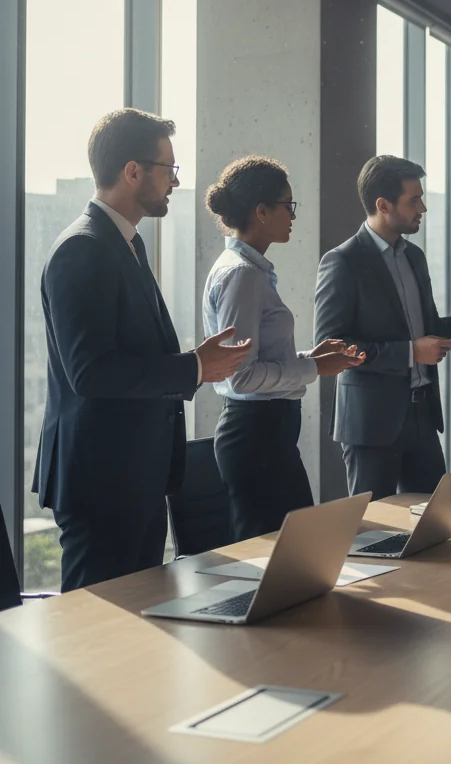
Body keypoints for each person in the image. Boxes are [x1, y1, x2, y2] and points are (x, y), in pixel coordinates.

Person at [33, 109, 252, 592]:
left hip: (136, 477)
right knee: (97, 641)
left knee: (137, 633)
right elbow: (90, 374)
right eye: (169, 169)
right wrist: (195, 366)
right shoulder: (83, 250)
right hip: (103, 481)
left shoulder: (124, 244)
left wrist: (196, 362)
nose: (175, 182)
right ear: (133, 172)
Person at [314, 155, 451, 499]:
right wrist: (411, 352)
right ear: (383, 205)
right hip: (371, 426)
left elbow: (431, 329)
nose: (423, 207)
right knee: (374, 534)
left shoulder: (414, 257)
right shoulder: (343, 262)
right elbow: (332, 346)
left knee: (435, 526)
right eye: (414, 200)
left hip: (421, 417)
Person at [203, 157, 366, 541]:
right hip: (256, 437)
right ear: (261, 212)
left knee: (293, 555)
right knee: (271, 562)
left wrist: (314, 358)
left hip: (269, 436)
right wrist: (313, 370)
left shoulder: (252, 271)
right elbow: (241, 376)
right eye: (287, 206)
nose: (293, 216)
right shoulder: (240, 276)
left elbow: (258, 362)